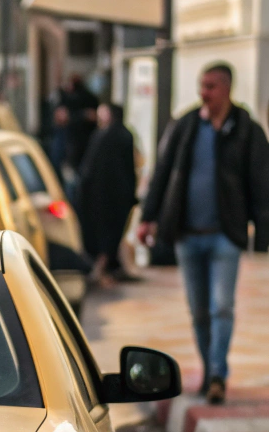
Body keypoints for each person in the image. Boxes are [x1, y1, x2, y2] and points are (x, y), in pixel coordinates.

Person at [138, 63, 269, 404]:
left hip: (225, 234)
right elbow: (163, 172)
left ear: (226, 89)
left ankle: (217, 374)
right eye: (201, 85)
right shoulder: (185, 127)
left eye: (209, 86)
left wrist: (263, 230)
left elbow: (261, 183)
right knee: (198, 310)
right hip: (187, 234)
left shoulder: (246, 130)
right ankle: (209, 366)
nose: (203, 93)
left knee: (222, 305)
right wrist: (147, 217)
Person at [76, 103, 137, 286]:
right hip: (119, 195)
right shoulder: (125, 135)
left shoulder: (101, 136)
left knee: (103, 234)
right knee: (112, 233)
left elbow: (88, 169)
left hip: (99, 196)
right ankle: (105, 267)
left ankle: (100, 269)